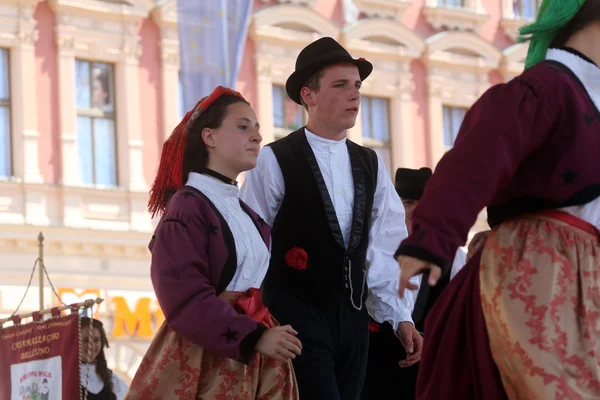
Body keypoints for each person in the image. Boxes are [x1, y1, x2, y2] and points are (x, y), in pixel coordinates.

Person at [395, 0, 600, 398]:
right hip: (540, 274)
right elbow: (478, 157)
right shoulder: (548, 88)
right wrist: (432, 236)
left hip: (585, 282)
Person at [240, 37, 422, 400]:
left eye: (356, 85)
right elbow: (250, 240)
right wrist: (251, 323)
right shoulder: (275, 159)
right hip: (293, 316)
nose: (354, 95)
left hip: (352, 318)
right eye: (340, 85)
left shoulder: (371, 164)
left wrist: (400, 315)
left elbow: (386, 247)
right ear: (309, 95)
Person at [125, 86, 301, 399]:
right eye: (243, 127)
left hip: (253, 359)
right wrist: (256, 337)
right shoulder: (187, 206)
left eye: (258, 129)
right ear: (210, 137)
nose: (257, 137)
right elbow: (183, 297)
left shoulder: (247, 214)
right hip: (204, 356)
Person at [360, 167, 466, 400]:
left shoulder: (453, 256)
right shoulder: (373, 251)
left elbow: (459, 315)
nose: (415, 212)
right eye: (408, 203)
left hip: (428, 374)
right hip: (375, 371)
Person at [80, 317, 128, 400]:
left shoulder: (112, 379)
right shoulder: (62, 377)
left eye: (96, 340)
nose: (91, 346)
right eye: (85, 340)